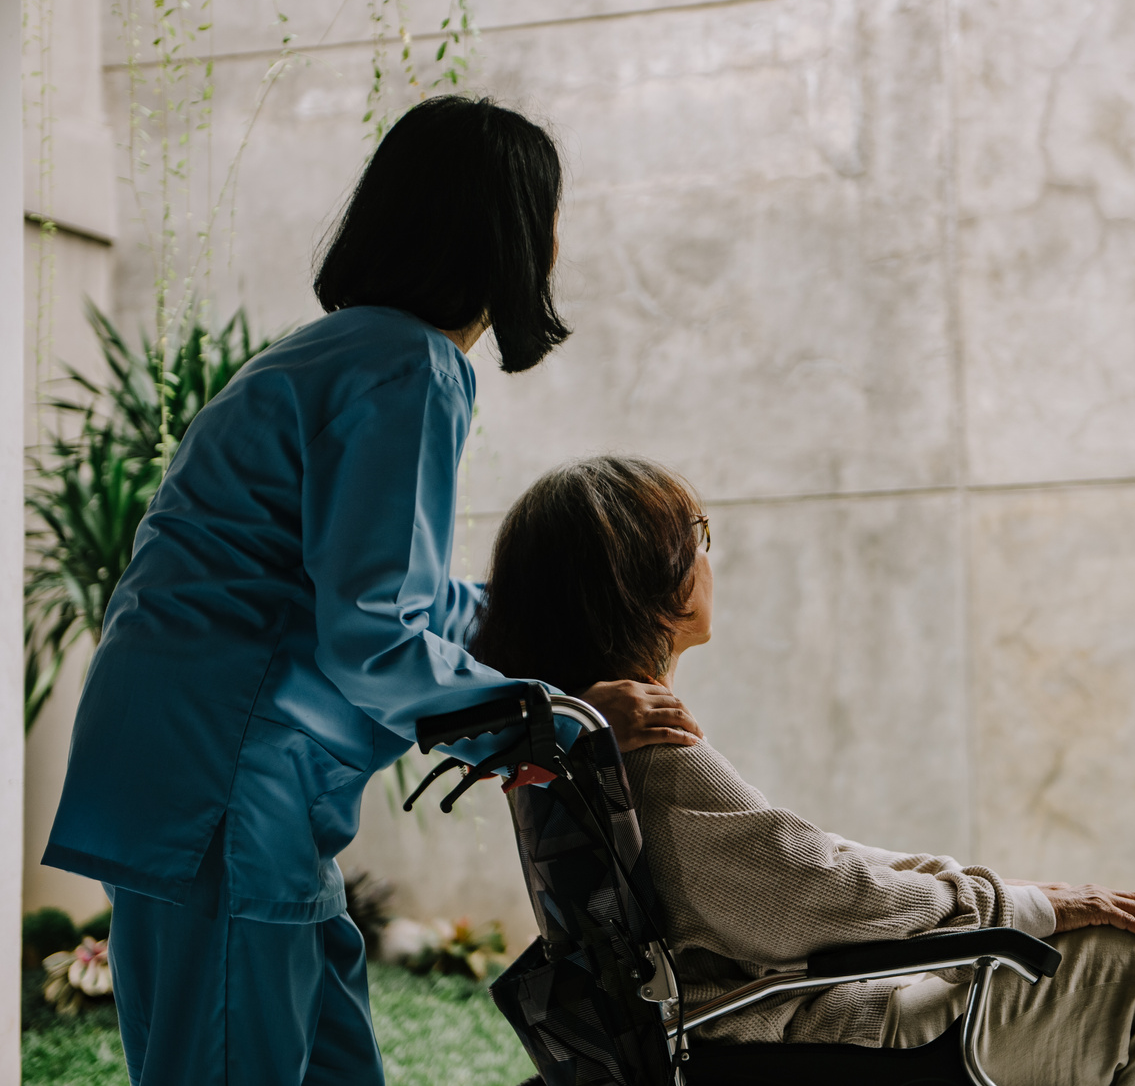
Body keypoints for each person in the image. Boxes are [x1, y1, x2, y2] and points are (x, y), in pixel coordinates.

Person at [43, 98, 702, 1086]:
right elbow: (372, 630)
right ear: (507, 227)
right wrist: (557, 721)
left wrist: (557, 646)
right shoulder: (406, 367)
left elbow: (396, 598)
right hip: (229, 779)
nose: (558, 238)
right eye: (549, 211)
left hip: (221, 769)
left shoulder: (349, 354)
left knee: (329, 1059)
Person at [475, 455, 1135, 1086]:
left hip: (758, 1016)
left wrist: (998, 897)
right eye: (698, 532)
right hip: (793, 1034)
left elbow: (805, 871)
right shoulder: (648, 753)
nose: (712, 554)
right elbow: (812, 894)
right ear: (649, 585)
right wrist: (1015, 904)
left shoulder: (570, 744)